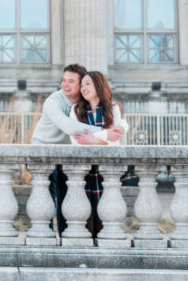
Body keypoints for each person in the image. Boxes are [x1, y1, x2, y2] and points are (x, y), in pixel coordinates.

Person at [30, 64, 124, 233]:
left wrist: (119, 129)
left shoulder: (83, 102)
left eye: (71, 81)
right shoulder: (53, 101)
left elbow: (113, 113)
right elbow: (68, 127)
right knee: (48, 199)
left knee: (68, 197)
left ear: (81, 85)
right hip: (45, 152)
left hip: (68, 154)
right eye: (63, 80)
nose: (65, 85)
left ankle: (66, 236)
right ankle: (47, 238)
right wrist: (106, 133)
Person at [69, 71, 129, 237]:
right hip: (84, 172)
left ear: (99, 84)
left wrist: (93, 139)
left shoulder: (113, 108)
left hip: (107, 171)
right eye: (81, 85)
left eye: (88, 83)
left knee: (107, 214)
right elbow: (76, 140)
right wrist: (104, 137)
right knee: (85, 215)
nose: (83, 88)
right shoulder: (76, 110)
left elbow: (115, 140)